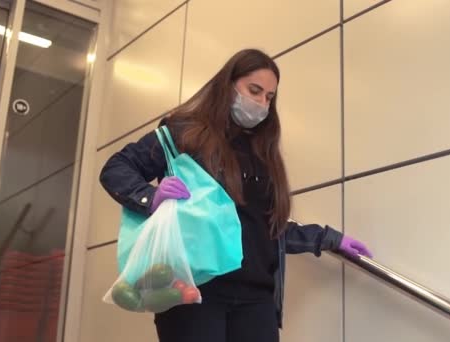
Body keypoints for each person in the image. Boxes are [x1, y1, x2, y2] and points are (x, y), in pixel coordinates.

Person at [99, 48, 372, 342]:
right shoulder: (184, 134)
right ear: (228, 85)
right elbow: (116, 168)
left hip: (257, 299)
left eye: (269, 97)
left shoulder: (264, 153)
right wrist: (148, 197)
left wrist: (330, 239)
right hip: (197, 292)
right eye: (254, 90)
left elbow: (267, 227)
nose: (261, 103)